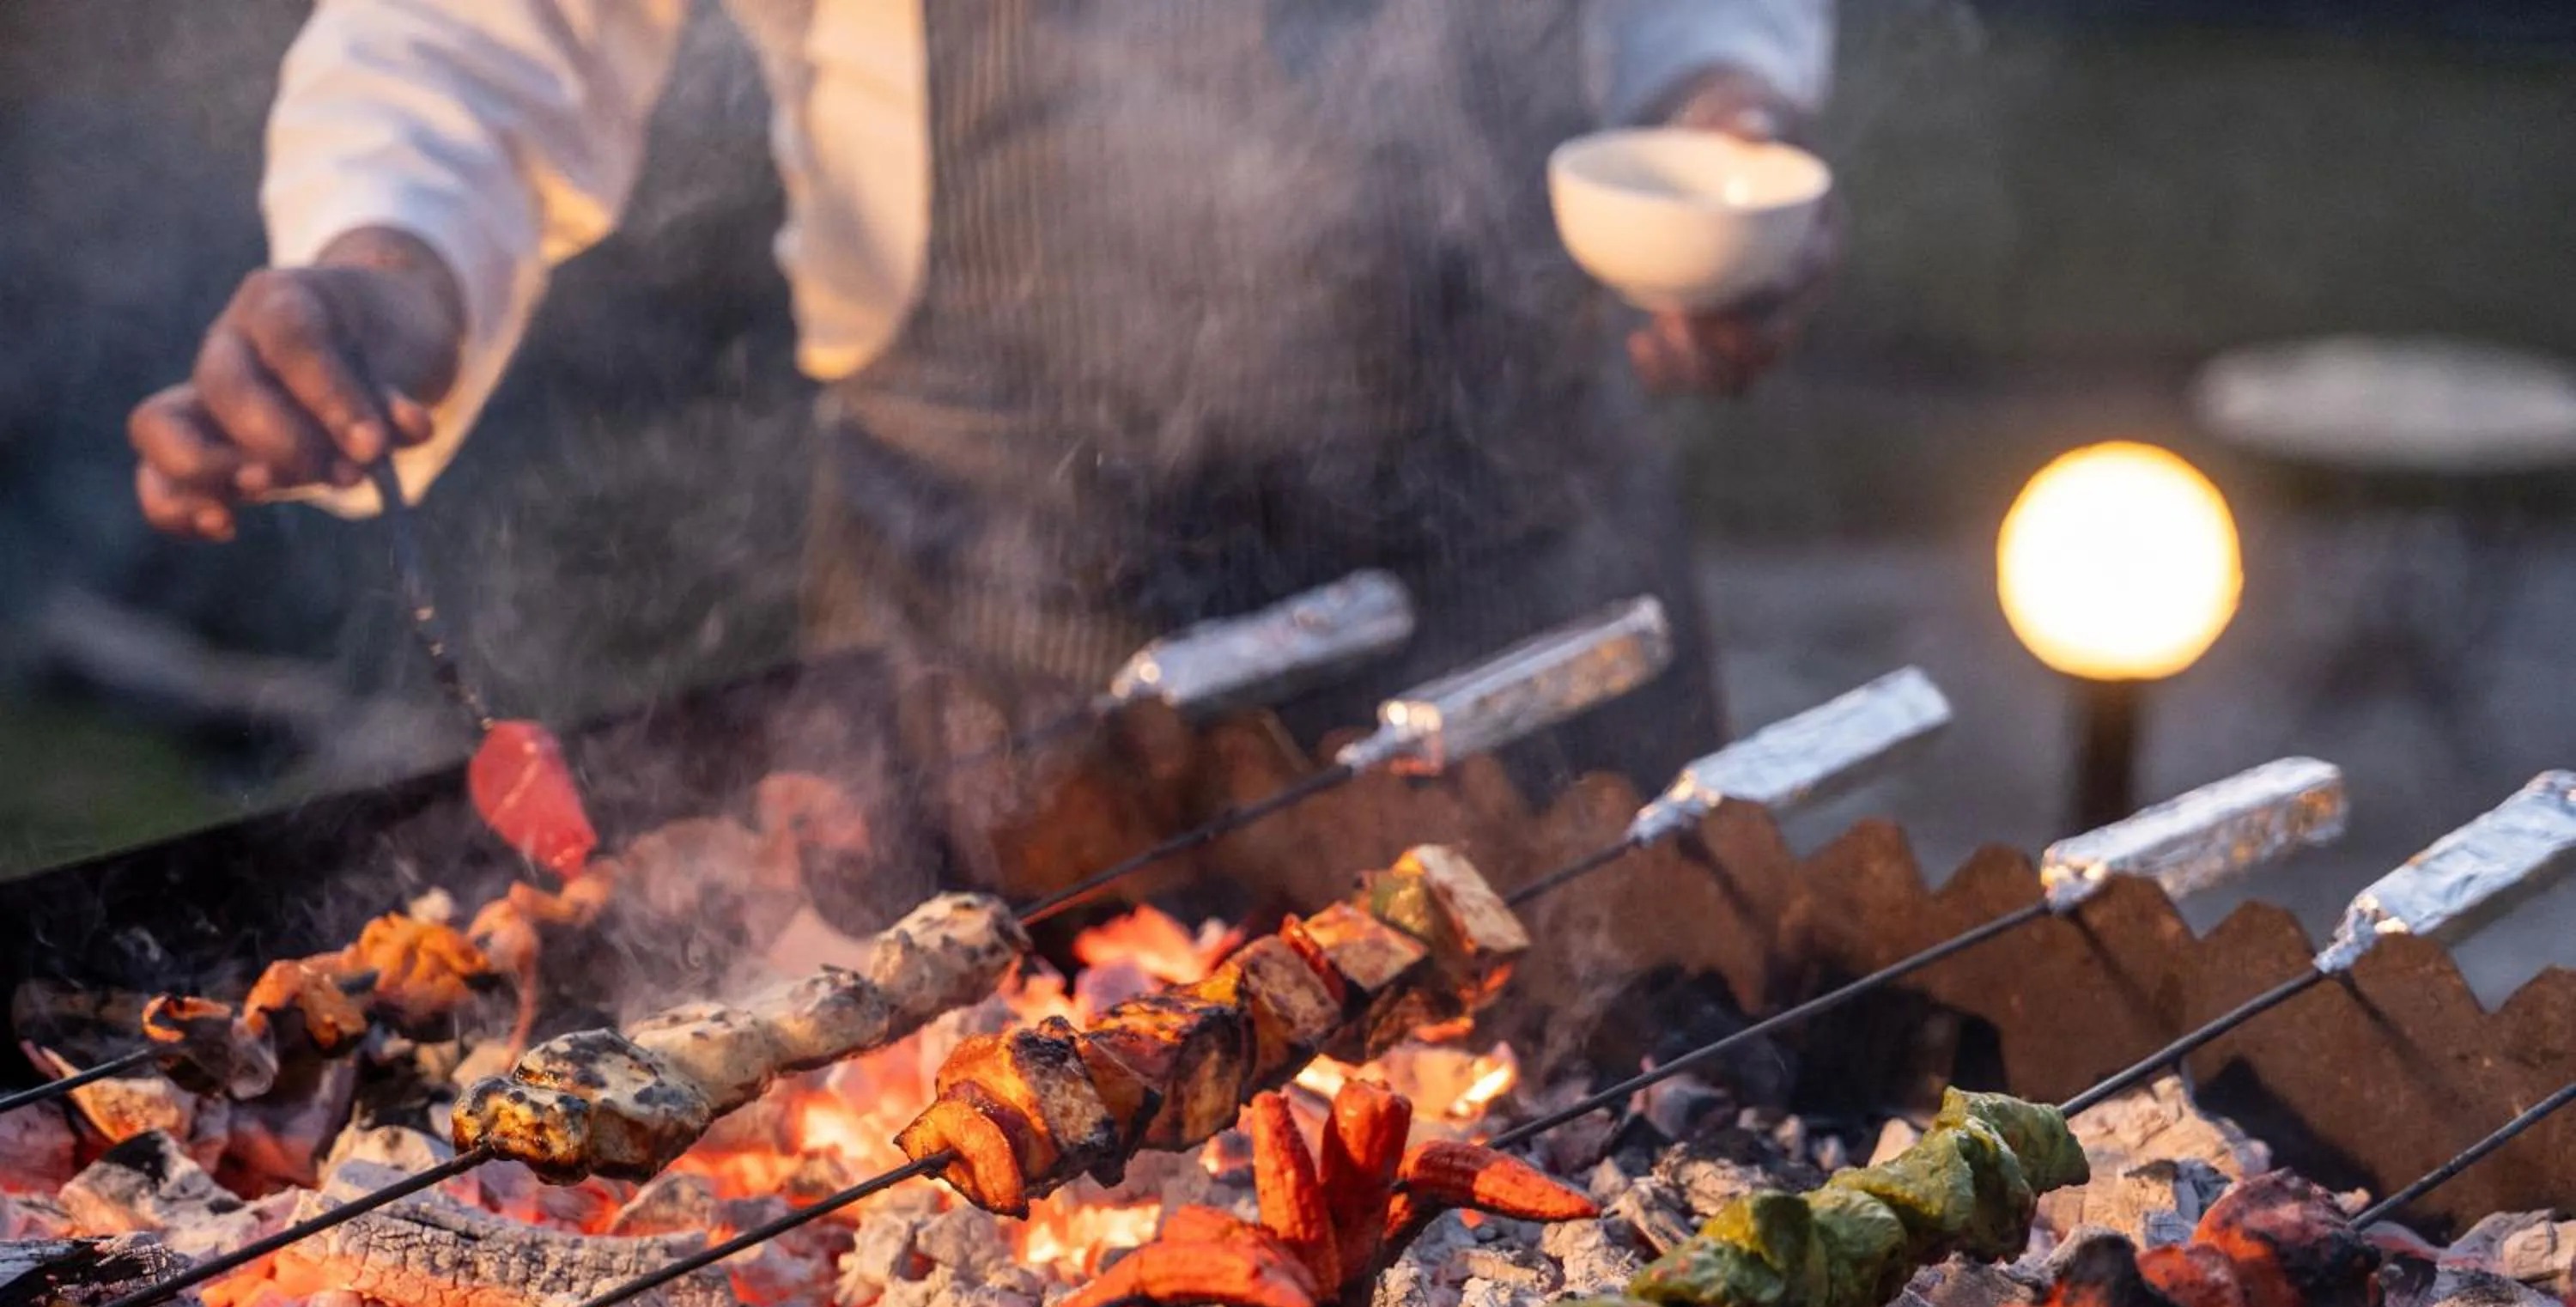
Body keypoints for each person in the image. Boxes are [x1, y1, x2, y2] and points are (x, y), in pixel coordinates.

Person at [129, 1, 1837, 892]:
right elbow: (475, 41)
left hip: (1524, 576)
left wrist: (1719, 106)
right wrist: (389, 256)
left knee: (1653, 1118)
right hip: (998, 607)